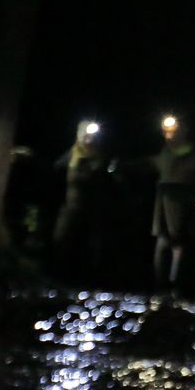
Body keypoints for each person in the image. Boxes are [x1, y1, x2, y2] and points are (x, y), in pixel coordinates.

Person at [49, 119, 114, 284]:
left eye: (91, 136)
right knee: (61, 239)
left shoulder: (99, 156)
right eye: (85, 135)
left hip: (93, 208)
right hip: (71, 206)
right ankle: (59, 277)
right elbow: (56, 166)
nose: (88, 140)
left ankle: (92, 280)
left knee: (93, 245)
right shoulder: (73, 153)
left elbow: (101, 176)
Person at [151, 113, 195, 299]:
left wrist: (172, 188)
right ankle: (162, 294)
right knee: (162, 257)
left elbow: (194, 187)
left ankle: (179, 295)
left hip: (183, 218)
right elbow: (148, 163)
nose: (170, 133)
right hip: (163, 217)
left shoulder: (193, 156)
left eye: (175, 129)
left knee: (181, 261)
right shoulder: (164, 154)